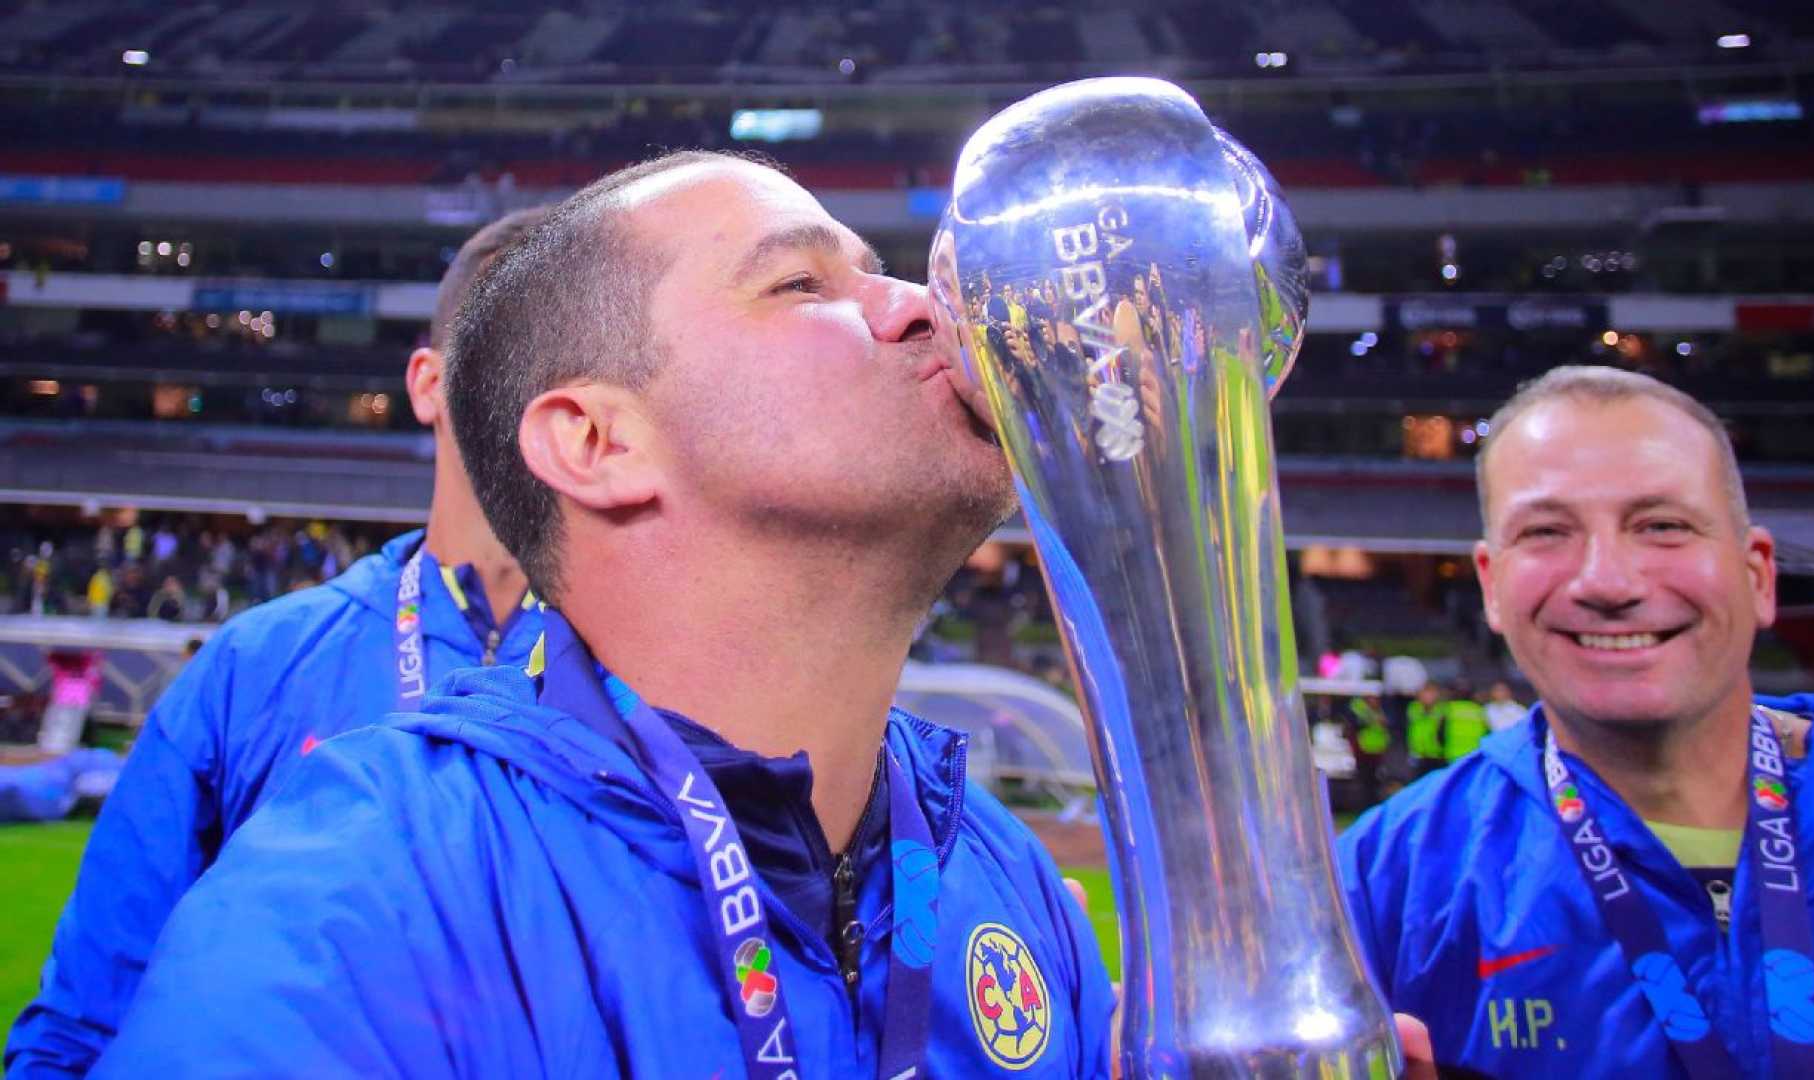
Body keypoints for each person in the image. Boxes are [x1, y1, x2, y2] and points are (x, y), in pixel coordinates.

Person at [86, 151, 1115, 1077]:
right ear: (594, 441)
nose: (923, 307)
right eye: (802, 281)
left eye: (876, 269)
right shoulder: (356, 918)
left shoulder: (1008, 882)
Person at [4, 207, 549, 1077]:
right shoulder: (254, 665)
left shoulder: (660, 671)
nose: (545, 392)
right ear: (428, 385)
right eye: (512, 352)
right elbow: (84, 1024)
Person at [1338, 366, 1814, 1078]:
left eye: (1664, 526)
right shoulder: (1386, 884)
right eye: (1547, 532)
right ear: (1491, 587)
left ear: (1758, 574)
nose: (1607, 582)